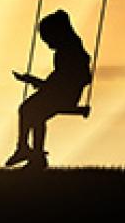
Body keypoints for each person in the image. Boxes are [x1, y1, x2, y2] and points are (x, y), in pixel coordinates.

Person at [6, 9, 92, 169]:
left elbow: (63, 81)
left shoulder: (69, 52)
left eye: (47, 38)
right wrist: (35, 81)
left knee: (28, 110)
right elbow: (57, 82)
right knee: (34, 114)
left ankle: (26, 150)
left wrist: (34, 81)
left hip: (64, 97)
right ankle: (34, 156)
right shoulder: (68, 50)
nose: (46, 42)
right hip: (59, 94)